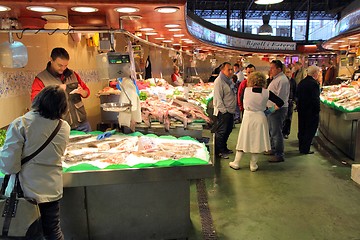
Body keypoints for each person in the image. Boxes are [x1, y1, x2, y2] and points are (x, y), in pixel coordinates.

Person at [0, 85, 70, 240]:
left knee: (27, 234)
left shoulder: (21, 124)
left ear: (39, 100)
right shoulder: (63, 126)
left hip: (25, 192)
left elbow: (9, 166)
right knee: (53, 231)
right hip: (51, 190)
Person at [229, 72, 284, 171]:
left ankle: (236, 162)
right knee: (257, 141)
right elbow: (280, 102)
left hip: (248, 116)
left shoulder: (246, 90)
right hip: (260, 117)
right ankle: (253, 165)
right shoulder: (267, 92)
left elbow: (240, 102)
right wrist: (270, 110)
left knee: (243, 139)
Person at [31, 47, 91, 132]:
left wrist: (82, 92)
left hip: (82, 123)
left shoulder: (73, 74)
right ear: (51, 60)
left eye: (65, 65)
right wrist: (55, 90)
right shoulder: (41, 79)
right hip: (59, 127)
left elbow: (87, 92)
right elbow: (36, 103)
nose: (63, 68)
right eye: (60, 65)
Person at [267, 60, 290, 163]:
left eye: (272, 68)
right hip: (273, 109)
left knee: (276, 132)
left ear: (279, 69)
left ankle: (279, 154)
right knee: (272, 131)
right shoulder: (276, 79)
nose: (270, 70)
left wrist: (271, 110)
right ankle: (273, 149)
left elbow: (280, 100)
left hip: (278, 110)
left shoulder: (282, 80)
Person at [213, 62, 237, 159]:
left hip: (230, 111)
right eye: (229, 70)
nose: (231, 71)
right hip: (223, 112)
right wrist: (224, 111)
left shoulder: (228, 80)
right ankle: (219, 151)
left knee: (228, 130)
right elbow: (218, 99)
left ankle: (224, 147)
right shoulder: (219, 81)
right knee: (221, 132)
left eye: (232, 69)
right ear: (222, 71)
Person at [296, 65, 321, 154]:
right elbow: (315, 98)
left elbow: (297, 95)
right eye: (318, 73)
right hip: (311, 111)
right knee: (310, 129)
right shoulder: (314, 84)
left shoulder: (302, 82)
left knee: (302, 128)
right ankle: (305, 149)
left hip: (302, 109)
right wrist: (317, 109)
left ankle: (301, 147)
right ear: (315, 73)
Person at [282, 67, 297, 139]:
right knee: (282, 117)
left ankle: (286, 132)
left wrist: (294, 100)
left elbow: (295, 91)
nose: (288, 74)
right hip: (283, 102)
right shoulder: (282, 81)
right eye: (287, 72)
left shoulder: (293, 81)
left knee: (289, 118)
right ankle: (281, 131)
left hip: (290, 102)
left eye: (289, 72)